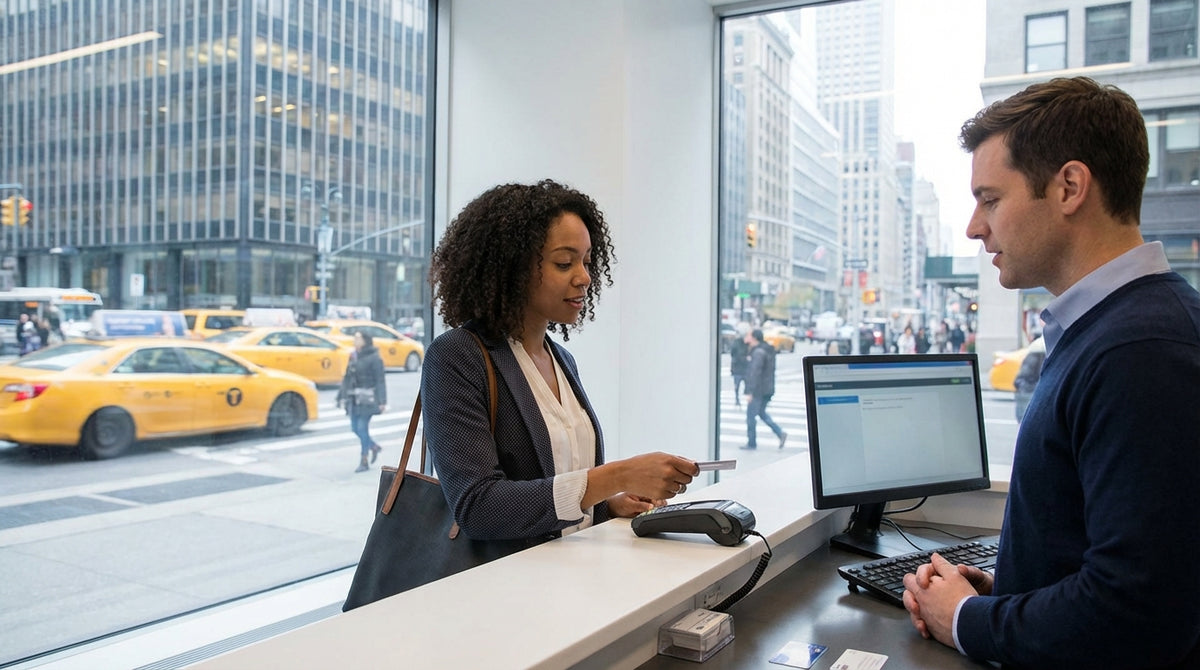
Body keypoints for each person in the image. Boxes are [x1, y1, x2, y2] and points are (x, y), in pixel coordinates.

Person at [901, 77, 1200, 669]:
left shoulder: (1142, 351)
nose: (973, 227)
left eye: (990, 199)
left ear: (1069, 186)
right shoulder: (1120, 329)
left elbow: (1136, 613)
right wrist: (1010, 592)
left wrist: (965, 620)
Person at [422, 179, 698, 543]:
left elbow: (560, 485)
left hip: (570, 576)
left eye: (586, 261)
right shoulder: (458, 356)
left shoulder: (561, 359)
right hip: (507, 588)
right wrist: (615, 477)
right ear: (511, 267)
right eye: (564, 263)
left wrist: (608, 503)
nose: (584, 277)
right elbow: (478, 507)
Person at [338, 331, 387, 473]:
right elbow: (347, 377)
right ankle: (374, 446)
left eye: (358, 338)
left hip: (368, 399)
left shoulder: (374, 358)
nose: (355, 340)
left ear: (366, 340)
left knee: (361, 428)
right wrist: (341, 396)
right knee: (354, 428)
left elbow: (380, 380)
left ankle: (364, 460)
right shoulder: (353, 355)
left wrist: (382, 400)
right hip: (354, 399)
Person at [741, 328, 786, 450]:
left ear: (754, 338)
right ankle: (780, 433)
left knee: (751, 416)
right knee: (761, 413)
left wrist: (750, 392)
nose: (746, 336)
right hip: (767, 388)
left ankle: (751, 442)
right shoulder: (766, 350)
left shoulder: (758, 352)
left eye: (749, 335)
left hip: (758, 390)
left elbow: (754, 373)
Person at [1012, 334, 1045, 422]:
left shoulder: (1040, 346)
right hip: (1031, 394)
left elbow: (1022, 378)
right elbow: (1023, 377)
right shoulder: (1040, 347)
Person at [729, 322, 750, 406]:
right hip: (742, 368)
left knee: (738, 385)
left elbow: (732, 353)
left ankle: (737, 398)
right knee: (745, 385)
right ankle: (740, 398)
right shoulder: (746, 343)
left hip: (738, 368)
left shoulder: (736, 342)